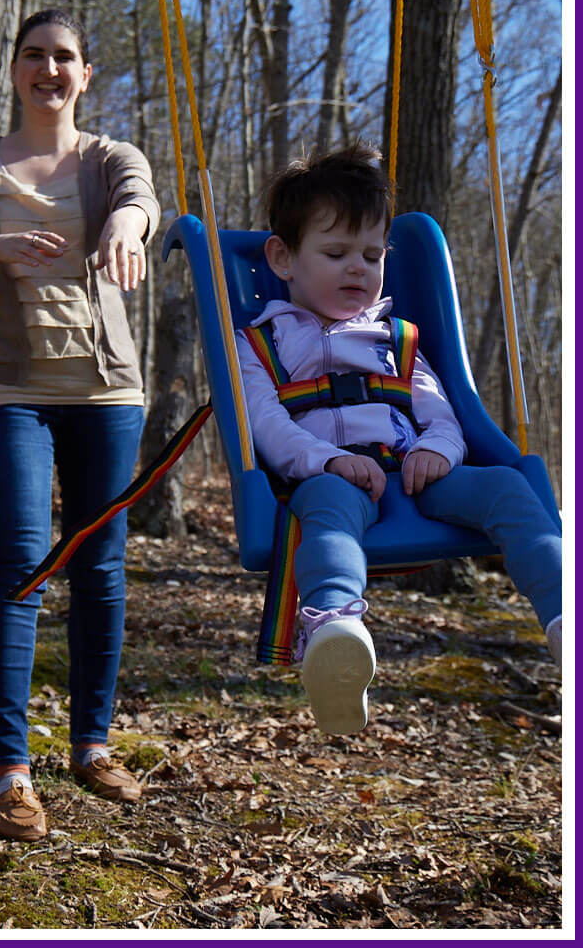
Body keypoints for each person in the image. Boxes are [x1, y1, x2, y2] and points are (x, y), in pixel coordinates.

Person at [0, 8, 160, 841]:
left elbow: (139, 202)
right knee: (20, 564)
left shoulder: (109, 158)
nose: (49, 70)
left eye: (65, 58)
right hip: (7, 388)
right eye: (35, 57)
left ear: (85, 75)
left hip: (105, 388)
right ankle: (8, 769)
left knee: (100, 566)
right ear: (14, 70)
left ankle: (92, 746)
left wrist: (125, 229)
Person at [238, 141, 562, 735]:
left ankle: (564, 612)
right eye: (335, 253)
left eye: (370, 253)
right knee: (327, 515)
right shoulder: (260, 345)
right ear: (283, 258)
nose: (357, 268)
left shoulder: (398, 339)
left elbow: (439, 411)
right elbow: (265, 424)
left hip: (415, 473)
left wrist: (438, 450)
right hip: (331, 481)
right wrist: (328, 461)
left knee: (509, 490)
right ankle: (335, 631)